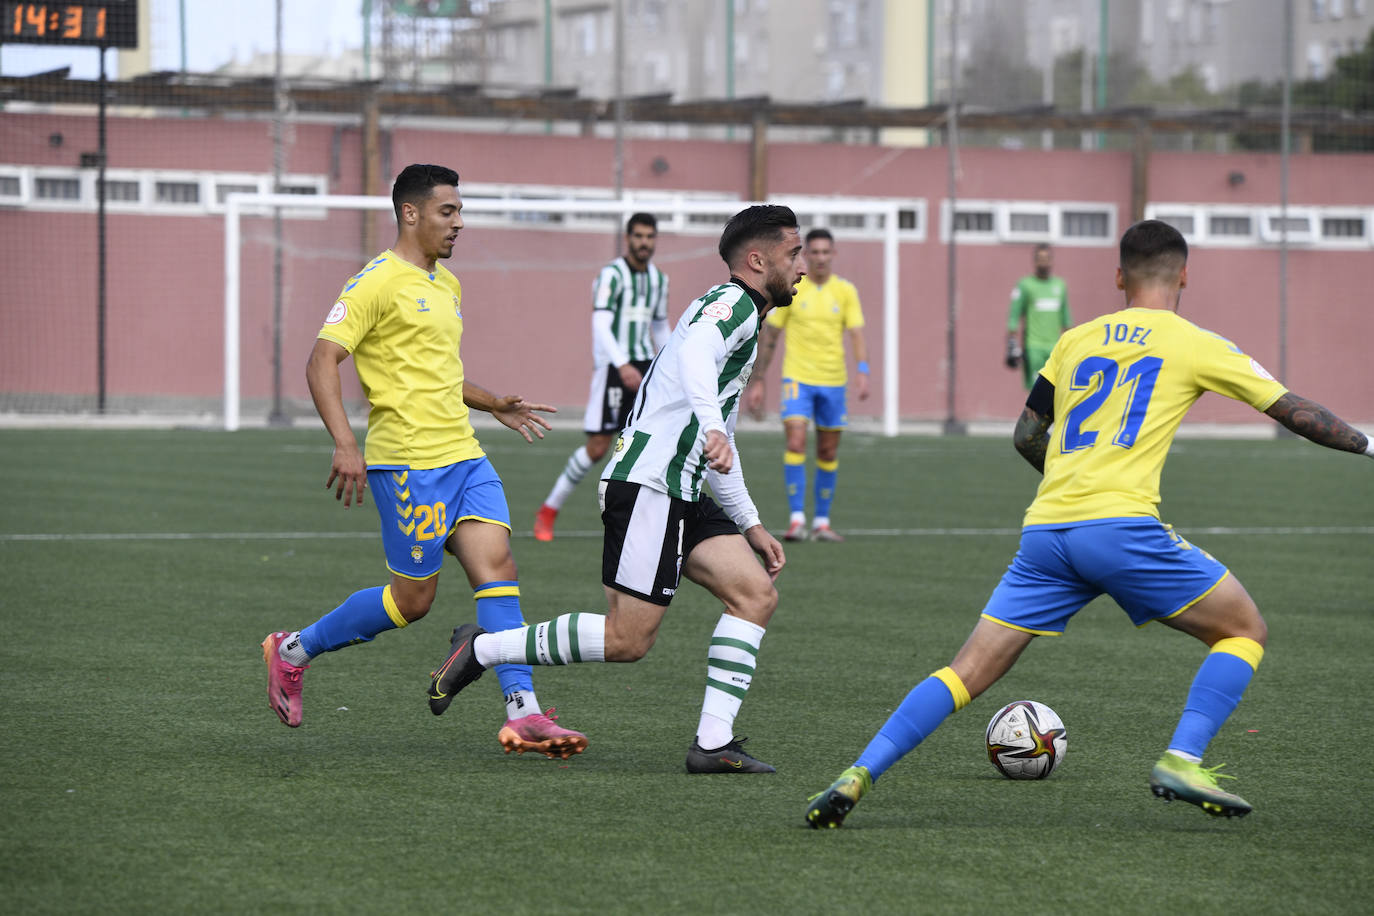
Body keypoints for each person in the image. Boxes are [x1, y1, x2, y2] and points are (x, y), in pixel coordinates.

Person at [805, 219, 1374, 828]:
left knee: (964, 671)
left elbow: (1027, 435)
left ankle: (858, 772)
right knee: (1243, 631)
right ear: (1184, 275)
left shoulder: (1076, 339)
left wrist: (1070, 488)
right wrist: (1367, 447)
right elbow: (1298, 413)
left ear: (1118, 276)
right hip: (1123, 529)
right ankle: (1182, 757)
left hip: (1047, 532)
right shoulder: (1196, 342)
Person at [426, 205, 803, 773]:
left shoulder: (740, 311)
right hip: (650, 483)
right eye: (793, 254)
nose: (801, 266)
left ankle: (711, 746)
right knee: (628, 640)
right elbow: (700, 365)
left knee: (755, 594)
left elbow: (714, 434)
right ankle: (480, 648)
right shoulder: (734, 306)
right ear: (758, 260)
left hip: (680, 485)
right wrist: (713, 425)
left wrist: (749, 522)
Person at [260, 163, 587, 760]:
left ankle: (525, 712)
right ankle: (292, 650)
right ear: (410, 213)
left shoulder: (447, 285)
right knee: (413, 602)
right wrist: (346, 443)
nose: (459, 223)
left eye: (460, 212)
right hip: (408, 465)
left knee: (498, 568)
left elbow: (442, 373)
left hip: (464, 456)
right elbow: (320, 361)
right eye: (448, 211)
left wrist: (494, 405)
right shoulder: (374, 283)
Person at [534, 213, 670, 541]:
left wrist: (670, 365)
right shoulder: (611, 275)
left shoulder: (659, 280)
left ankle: (642, 522)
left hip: (645, 367)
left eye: (649, 237)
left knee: (650, 446)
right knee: (598, 447)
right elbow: (601, 325)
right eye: (638, 236)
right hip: (613, 368)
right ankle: (549, 510)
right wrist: (622, 364)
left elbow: (660, 326)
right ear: (628, 238)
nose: (644, 243)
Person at [743, 228, 869, 542]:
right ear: (806, 255)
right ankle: (797, 519)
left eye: (826, 252)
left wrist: (863, 370)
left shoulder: (845, 291)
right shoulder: (793, 290)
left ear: (833, 255)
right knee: (796, 442)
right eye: (814, 252)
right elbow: (770, 335)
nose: (820, 258)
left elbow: (855, 333)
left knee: (827, 450)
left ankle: (822, 522)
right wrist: (757, 380)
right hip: (797, 379)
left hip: (833, 381)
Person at [1005, 242, 1071, 390]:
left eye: (1047, 258)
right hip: (1033, 346)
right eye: (1040, 258)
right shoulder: (1025, 285)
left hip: (1055, 347)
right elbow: (1014, 316)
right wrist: (1011, 343)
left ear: (1052, 260)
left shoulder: (1060, 285)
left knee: (1056, 390)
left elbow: (1066, 318)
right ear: (1034, 261)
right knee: (1037, 392)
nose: (1044, 262)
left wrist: (1069, 346)